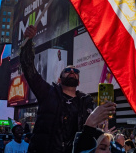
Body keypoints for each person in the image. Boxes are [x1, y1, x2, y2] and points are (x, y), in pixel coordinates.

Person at [20, 25, 94, 153]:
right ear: (59, 80)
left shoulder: (85, 102)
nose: (72, 71)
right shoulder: (47, 93)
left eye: (75, 71)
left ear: (79, 81)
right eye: (67, 70)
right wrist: (28, 42)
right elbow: (28, 69)